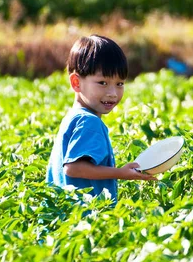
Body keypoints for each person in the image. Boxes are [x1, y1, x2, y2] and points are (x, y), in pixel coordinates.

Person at [46, 35, 156, 205]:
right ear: (76, 83)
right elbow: (74, 168)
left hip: (64, 217)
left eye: (119, 84)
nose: (112, 93)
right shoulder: (89, 122)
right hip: (83, 221)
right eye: (103, 82)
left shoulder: (73, 117)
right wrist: (120, 173)